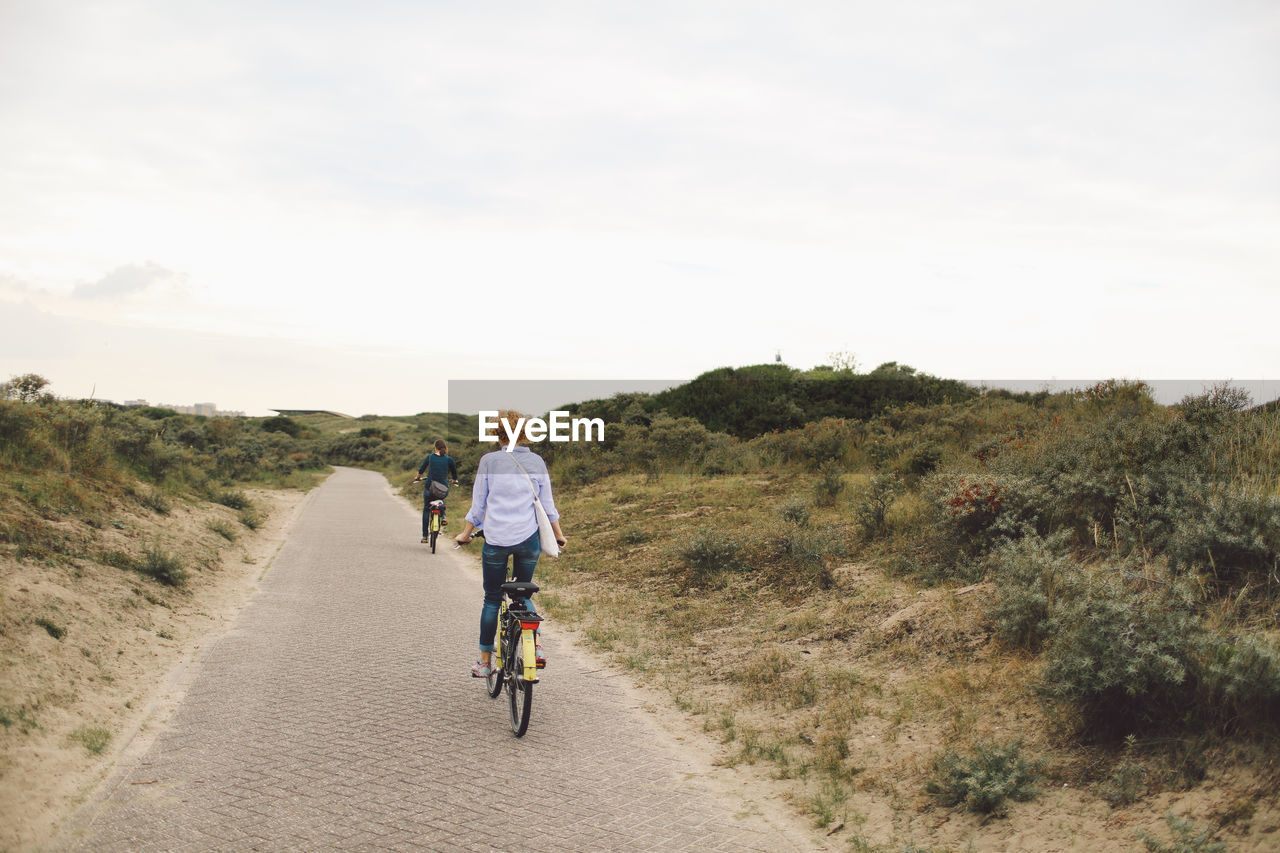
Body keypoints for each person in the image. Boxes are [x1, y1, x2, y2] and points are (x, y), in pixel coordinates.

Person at [454, 410, 566, 678]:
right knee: (523, 594)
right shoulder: (537, 461)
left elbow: (478, 505)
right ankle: (536, 647)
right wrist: (558, 534)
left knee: (492, 599)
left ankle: (484, 663)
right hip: (528, 540)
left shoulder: (489, 461)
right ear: (526, 432)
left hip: (496, 540)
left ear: (497, 433)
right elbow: (547, 505)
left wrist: (466, 534)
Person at [414, 439, 457, 543]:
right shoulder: (449, 459)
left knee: (426, 510)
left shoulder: (430, 457)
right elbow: (454, 474)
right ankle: (443, 516)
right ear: (445, 448)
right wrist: (455, 481)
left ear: (435, 448)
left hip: (429, 487)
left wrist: (417, 478)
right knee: (441, 498)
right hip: (442, 488)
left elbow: (421, 470)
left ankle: (425, 536)